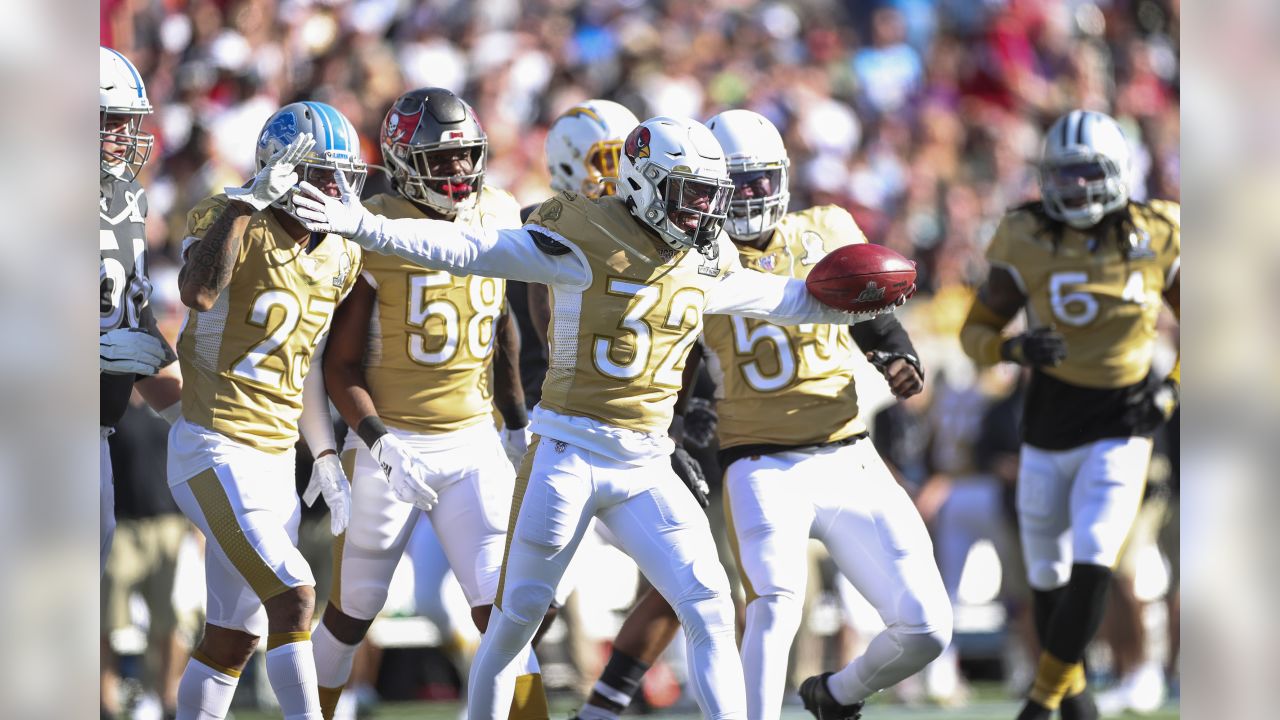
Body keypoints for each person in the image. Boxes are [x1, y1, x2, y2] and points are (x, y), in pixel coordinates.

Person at [292, 115, 899, 720]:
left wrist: (860, 308)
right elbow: (471, 250)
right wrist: (363, 223)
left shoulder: (699, 259)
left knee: (710, 603)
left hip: (648, 461)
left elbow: (782, 298)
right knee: (512, 626)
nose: (704, 214)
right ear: (644, 185)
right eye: (690, 195)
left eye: (709, 197)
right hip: (569, 456)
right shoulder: (582, 237)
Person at [700, 109, 951, 720]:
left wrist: (895, 355)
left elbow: (872, 307)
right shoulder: (691, 256)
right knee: (777, 604)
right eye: (740, 184)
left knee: (927, 628)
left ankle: (837, 696)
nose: (755, 195)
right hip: (757, 460)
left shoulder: (824, 227)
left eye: (763, 180)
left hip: (848, 451)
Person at [308, 87, 547, 720]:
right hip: (392, 442)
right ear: (402, 160)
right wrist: (377, 438)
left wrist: (516, 423)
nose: (458, 172)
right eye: (441, 162)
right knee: (354, 607)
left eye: (465, 157)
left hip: (473, 440)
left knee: (505, 609)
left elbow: (500, 326)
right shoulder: (374, 224)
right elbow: (339, 364)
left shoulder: (498, 209)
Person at [959, 109, 1180, 720]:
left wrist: (1171, 390)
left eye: (1088, 172)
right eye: (1063, 174)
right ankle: (1076, 708)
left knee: (1094, 565)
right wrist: (1010, 347)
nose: (1075, 187)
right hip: (1046, 427)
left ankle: (1039, 703)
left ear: (1119, 171)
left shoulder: (1159, 230)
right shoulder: (1025, 232)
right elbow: (974, 333)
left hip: (1122, 422)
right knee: (1049, 584)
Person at [166, 102, 369, 720]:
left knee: (235, 637)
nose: (337, 190)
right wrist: (243, 204)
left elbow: (304, 365)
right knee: (296, 596)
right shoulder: (232, 218)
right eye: (323, 175)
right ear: (283, 171)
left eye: (344, 177)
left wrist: (327, 456)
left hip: (277, 457)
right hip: (214, 445)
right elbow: (197, 293)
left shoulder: (341, 255)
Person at [100, 45, 183, 575]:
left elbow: (135, 325)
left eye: (130, 122)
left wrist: (191, 419)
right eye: (111, 122)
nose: (125, 136)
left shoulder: (122, 203)